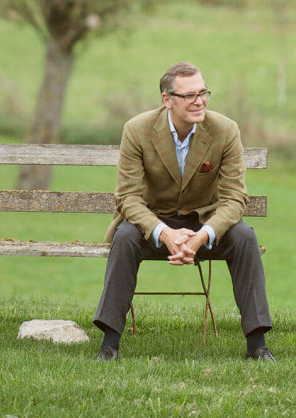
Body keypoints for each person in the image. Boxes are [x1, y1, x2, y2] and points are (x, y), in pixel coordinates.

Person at [92, 62, 274, 361]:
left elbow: (234, 199)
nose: (199, 101)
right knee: (124, 237)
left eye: (203, 93)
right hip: (152, 222)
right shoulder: (137, 130)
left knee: (244, 237)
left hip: (204, 222)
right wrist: (164, 233)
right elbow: (127, 197)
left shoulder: (225, 130)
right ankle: (109, 344)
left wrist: (202, 236)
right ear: (167, 99)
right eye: (190, 95)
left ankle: (257, 345)